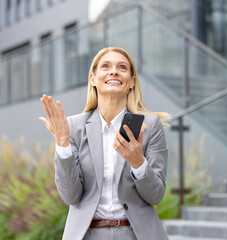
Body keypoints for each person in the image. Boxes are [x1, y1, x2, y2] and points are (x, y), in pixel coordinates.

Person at [39, 47, 170, 240]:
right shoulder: (73, 127)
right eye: (106, 66)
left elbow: (155, 195)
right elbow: (71, 196)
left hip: (136, 234)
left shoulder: (149, 126)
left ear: (132, 82)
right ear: (93, 79)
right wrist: (62, 143)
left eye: (122, 67)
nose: (114, 71)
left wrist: (138, 163)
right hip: (87, 234)